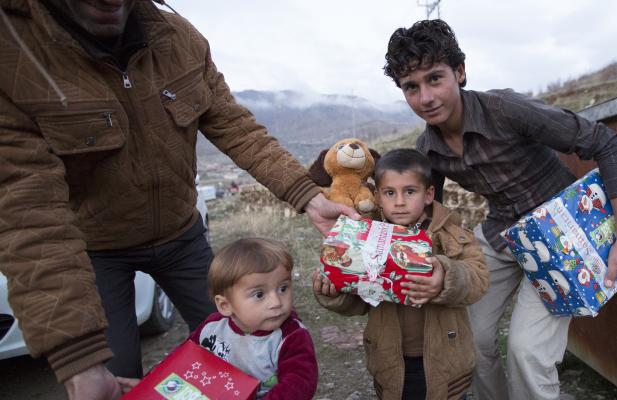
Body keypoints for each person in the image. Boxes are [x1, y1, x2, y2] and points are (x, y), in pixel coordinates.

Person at [0, 1, 354, 399]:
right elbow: (26, 211)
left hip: (182, 236)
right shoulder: (13, 56)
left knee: (242, 340)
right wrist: (78, 357)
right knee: (114, 378)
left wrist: (306, 194)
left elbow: (237, 128)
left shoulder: (178, 39)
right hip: (97, 251)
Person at [382, 20, 617, 400]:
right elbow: (426, 215)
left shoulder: (505, 110)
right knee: (465, 336)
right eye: (412, 87)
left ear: (460, 72)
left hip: (561, 233)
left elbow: (607, 144)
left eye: (435, 78)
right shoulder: (428, 150)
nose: (426, 97)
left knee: (526, 351)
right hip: (502, 234)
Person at [313, 148, 489, 400]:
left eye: (409, 191)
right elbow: (359, 301)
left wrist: (445, 277)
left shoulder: (449, 234)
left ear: (428, 194)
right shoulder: (366, 239)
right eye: (389, 193)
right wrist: (333, 290)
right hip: (390, 362)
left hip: (446, 361)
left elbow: (479, 278)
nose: (399, 202)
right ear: (377, 196)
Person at [119, 238, 318, 399]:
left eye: (283, 288)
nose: (276, 302)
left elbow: (300, 383)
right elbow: (180, 362)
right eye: (259, 295)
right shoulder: (212, 327)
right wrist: (151, 385)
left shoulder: (291, 336)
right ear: (225, 305)